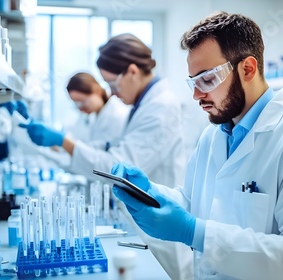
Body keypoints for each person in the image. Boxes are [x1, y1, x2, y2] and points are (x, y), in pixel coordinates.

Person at [110, 12, 283, 279]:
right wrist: (151, 193)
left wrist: (194, 233)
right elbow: (194, 203)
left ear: (247, 69)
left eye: (208, 79)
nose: (196, 95)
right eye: (193, 82)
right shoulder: (213, 134)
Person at [20, 33, 193, 279]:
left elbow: (121, 169)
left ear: (132, 71)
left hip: (160, 233)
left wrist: (65, 142)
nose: (112, 92)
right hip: (145, 225)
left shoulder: (160, 108)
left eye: (113, 84)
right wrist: (70, 144)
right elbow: (115, 147)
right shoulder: (144, 104)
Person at [63, 72, 130, 148]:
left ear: (96, 90)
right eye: (76, 104)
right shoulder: (94, 115)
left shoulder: (118, 114)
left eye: (82, 102)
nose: (80, 109)